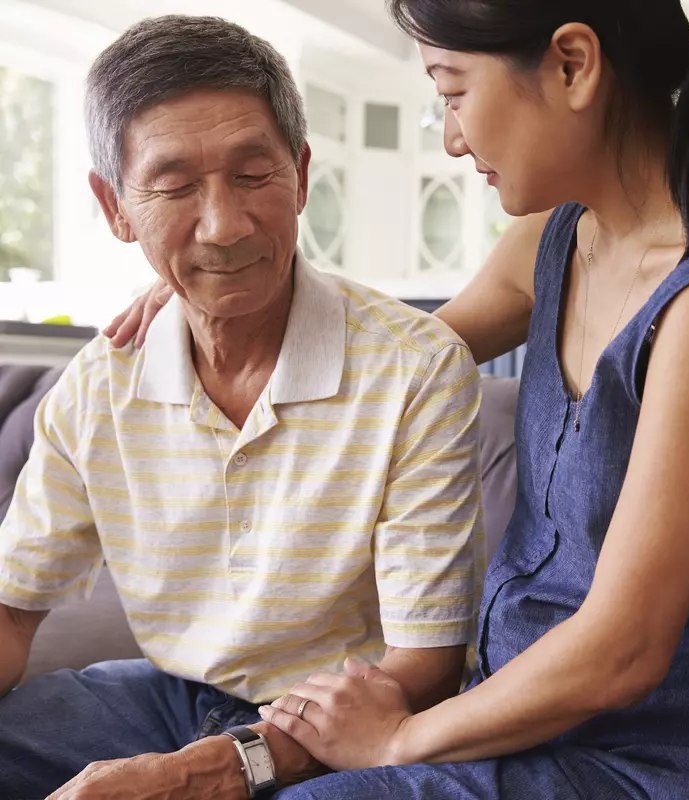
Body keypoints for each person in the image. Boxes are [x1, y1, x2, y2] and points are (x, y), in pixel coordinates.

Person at [111, 0, 689, 798]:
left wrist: (400, 739)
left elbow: (624, 649)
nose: (452, 136)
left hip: (670, 761)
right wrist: (214, 295)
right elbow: (380, 363)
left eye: (452, 91)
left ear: (573, 65)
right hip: (520, 727)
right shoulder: (553, 241)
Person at [0, 15, 486, 800]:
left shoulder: (416, 369)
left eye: (254, 175)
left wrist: (209, 771)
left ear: (299, 171)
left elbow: (423, 666)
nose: (225, 226)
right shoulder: (99, 386)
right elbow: (11, 610)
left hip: (337, 724)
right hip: (158, 696)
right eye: (175, 186)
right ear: (115, 206)